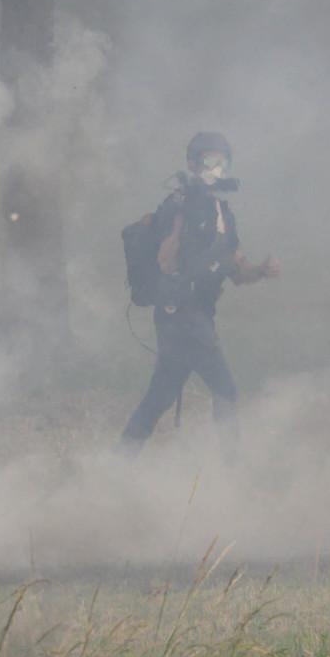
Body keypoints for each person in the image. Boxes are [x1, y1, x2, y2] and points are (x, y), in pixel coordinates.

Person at [118, 131, 280, 450]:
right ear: (193, 163)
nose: (215, 169)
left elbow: (236, 268)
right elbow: (165, 262)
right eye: (209, 161)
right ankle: (234, 471)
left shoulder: (221, 212)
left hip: (197, 316)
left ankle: (119, 459)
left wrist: (261, 270)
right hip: (181, 318)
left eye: (222, 162)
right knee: (226, 391)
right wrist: (177, 229)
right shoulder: (176, 206)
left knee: (159, 397)